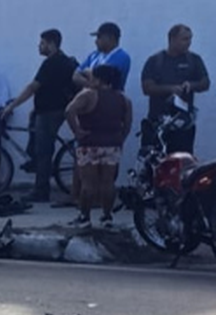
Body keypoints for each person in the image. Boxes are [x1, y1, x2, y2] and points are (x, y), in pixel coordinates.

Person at [1, 29, 78, 202]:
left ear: (51, 44)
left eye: (42, 43)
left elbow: (32, 87)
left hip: (50, 112)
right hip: (49, 110)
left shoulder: (51, 63)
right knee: (37, 142)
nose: (39, 46)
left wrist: (12, 105)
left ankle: (41, 191)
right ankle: (34, 164)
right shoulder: (65, 61)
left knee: (44, 151)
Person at [65, 65, 132, 229]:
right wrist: (120, 138)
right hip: (112, 144)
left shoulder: (88, 95)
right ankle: (107, 216)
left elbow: (69, 111)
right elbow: (128, 123)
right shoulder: (124, 99)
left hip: (89, 143)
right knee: (108, 182)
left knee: (88, 182)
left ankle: (84, 217)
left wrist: (77, 131)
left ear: (98, 79)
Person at [141, 24, 210, 154]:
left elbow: (205, 83)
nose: (188, 43)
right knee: (153, 164)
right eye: (184, 39)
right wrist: (171, 89)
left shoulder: (194, 60)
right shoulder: (155, 61)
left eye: (190, 39)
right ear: (172, 39)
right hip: (157, 123)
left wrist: (191, 85)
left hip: (183, 126)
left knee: (182, 164)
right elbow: (147, 88)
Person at [74, 22, 131, 91]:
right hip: (92, 98)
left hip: (110, 98)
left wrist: (87, 74)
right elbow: (76, 75)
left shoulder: (122, 57)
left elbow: (104, 78)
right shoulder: (94, 55)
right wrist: (91, 84)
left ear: (111, 38)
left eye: (99, 37)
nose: (96, 41)